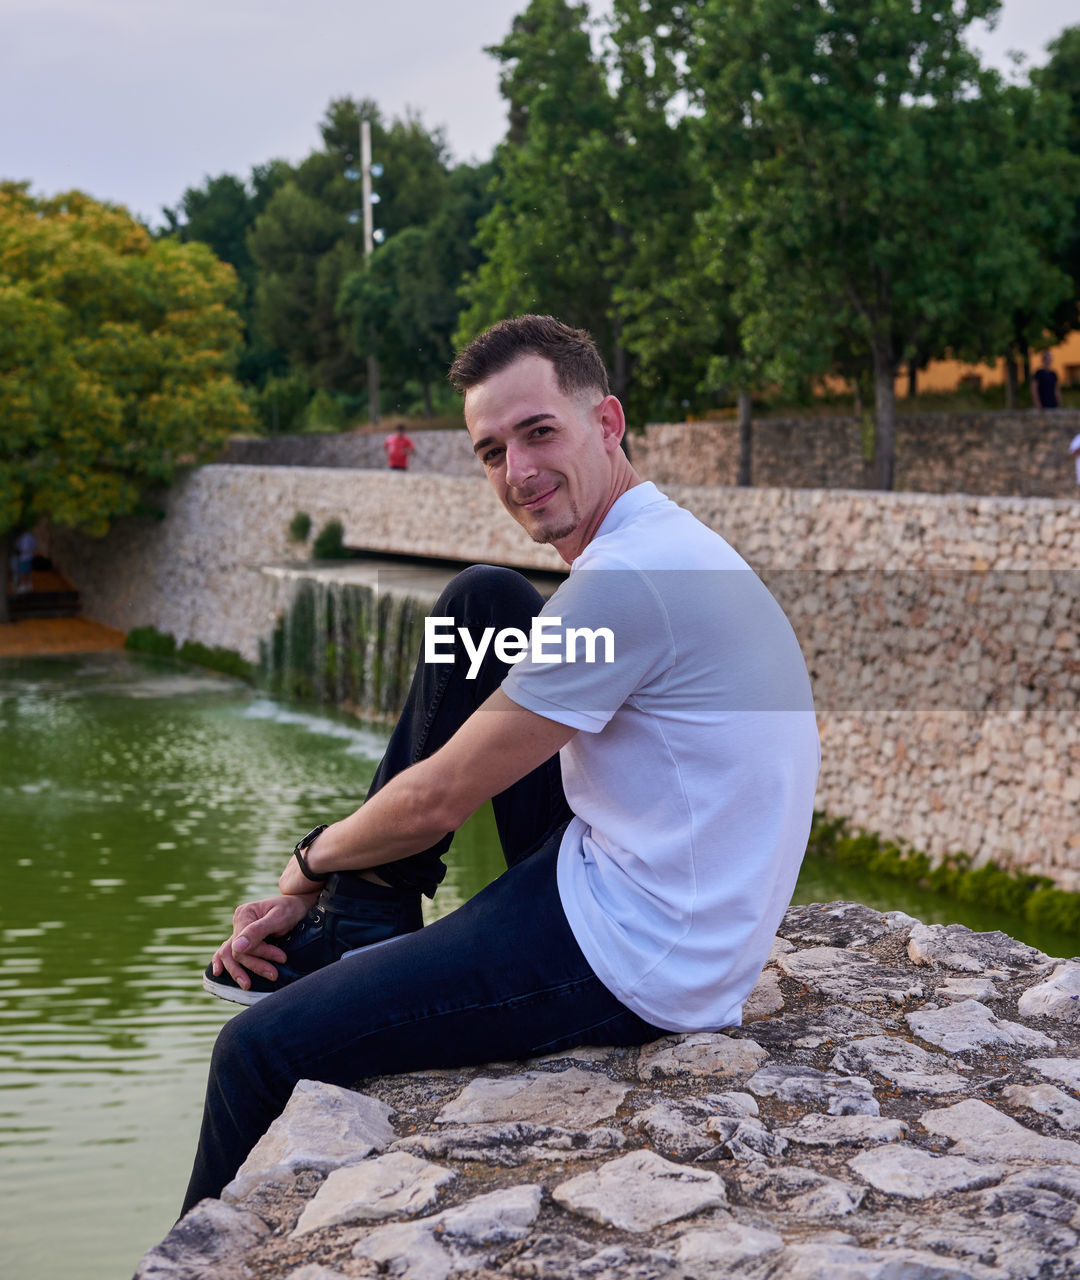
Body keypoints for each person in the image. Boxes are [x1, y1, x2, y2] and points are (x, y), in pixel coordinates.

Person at [183, 315, 819, 1213]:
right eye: (491, 452)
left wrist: (308, 865)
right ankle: (370, 917)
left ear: (608, 423)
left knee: (256, 1052)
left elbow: (437, 798)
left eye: (538, 433)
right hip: (646, 879)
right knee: (483, 602)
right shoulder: (658, 541)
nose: (518, 473)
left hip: (638, 957)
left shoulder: (627, 581)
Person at [13, 529, 35, 594]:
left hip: (24, 557)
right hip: (27, 557)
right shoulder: (29, 536)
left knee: (23, 572)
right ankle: (27, 586)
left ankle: (24, 587)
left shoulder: (26, 537)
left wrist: (20, 551)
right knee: (26, 572)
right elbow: (35, 546)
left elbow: (25, 548)